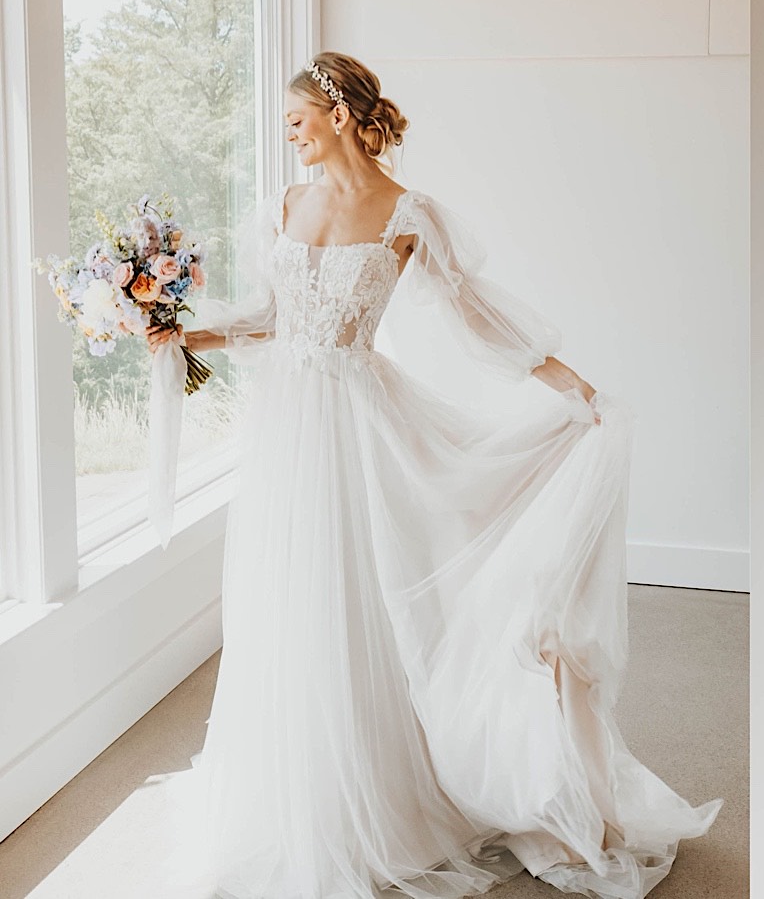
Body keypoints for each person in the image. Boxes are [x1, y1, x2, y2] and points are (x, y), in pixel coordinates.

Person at [148, 51, 719, 898]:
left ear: (338, 114)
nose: (291, 137)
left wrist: (571, 386)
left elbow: (476, 313)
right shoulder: (288, 203)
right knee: (291, 596)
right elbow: (271, 317)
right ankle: (303, 783)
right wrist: (186, 333)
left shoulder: (408, 212)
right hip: (287, 432)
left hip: (358, 420)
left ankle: (384, 783)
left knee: (370, 592)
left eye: (299, 121)